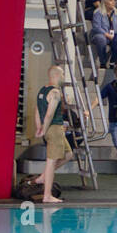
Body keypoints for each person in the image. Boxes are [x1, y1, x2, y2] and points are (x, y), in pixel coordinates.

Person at [33, 65, 71, 203]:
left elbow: (37, 110)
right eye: (62, 75)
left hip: (50, 129)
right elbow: (49, 114)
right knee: (51, 162)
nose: (63, 77)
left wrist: (39, 127)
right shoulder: (55, 93)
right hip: (54, 128)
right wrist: (44, 127)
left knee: (68, 154)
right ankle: (47, 195)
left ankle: (43, 177)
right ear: (56, 75)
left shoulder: (42, 90)